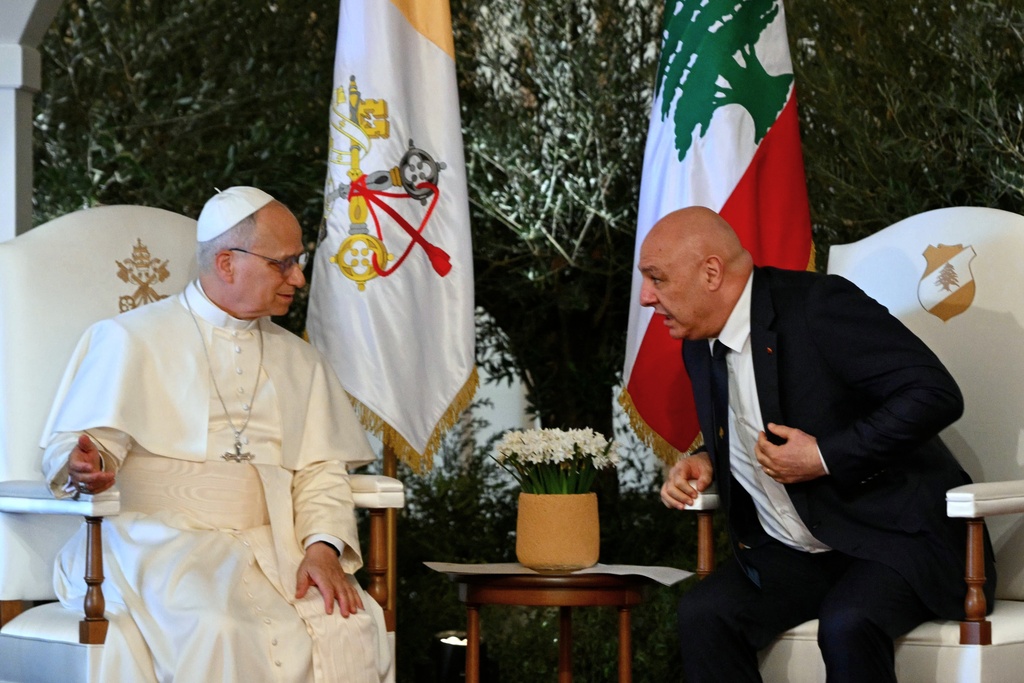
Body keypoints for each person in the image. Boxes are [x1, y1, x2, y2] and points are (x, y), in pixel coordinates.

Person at [41, 186, 389, 683]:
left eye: (299, 260)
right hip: (154, 540)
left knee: (350, 622)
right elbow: (79, 449)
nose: (299, 277)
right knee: (219, 627)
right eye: (283, 263)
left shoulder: (301, 360)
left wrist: (322, 548)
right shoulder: (131, 338)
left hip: (273, 544)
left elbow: (320, 471)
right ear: (227, 263)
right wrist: (83, 468)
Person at [639, 207, 995, 682]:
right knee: (705, 613)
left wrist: (824, 457)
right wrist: (708, 459)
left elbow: (934, 394)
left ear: (711, 272)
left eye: (657, 279)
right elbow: (760, 412)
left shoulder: (816, 306)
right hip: (798, 549)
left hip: (893, 540)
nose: (646, 298)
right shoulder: (697, 343)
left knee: (848, 622)